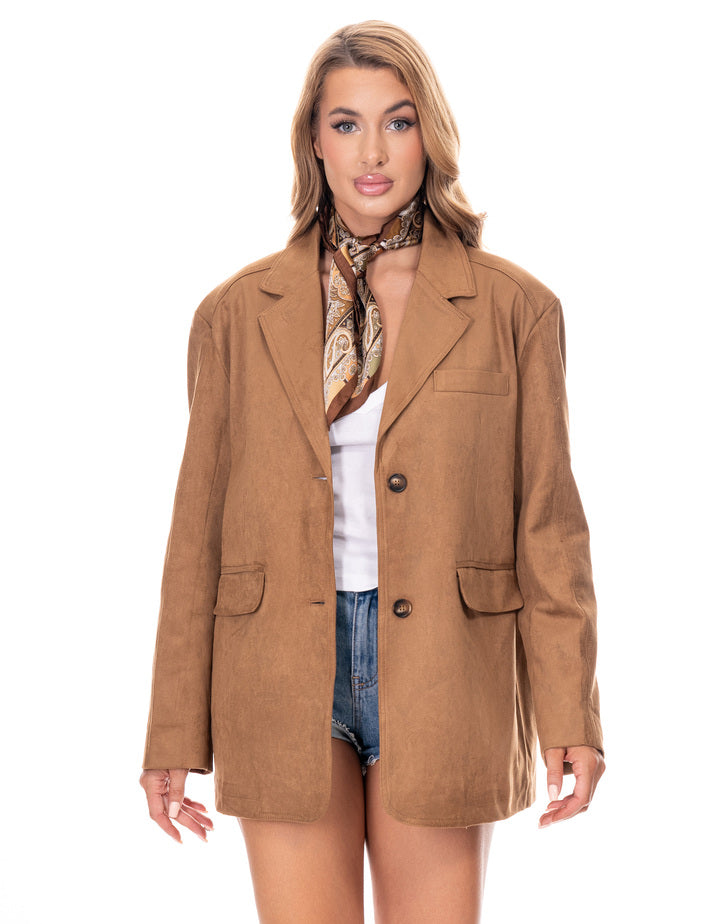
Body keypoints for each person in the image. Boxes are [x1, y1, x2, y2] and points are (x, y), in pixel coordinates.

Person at [139, 19, 605, 923]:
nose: (373, 152)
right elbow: (196, 532)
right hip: (278, 665)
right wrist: (171, 732)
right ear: (313, 141)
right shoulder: (234, 315)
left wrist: (571, 717)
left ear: (430, 133)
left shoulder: (514, 309)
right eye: (345, 124)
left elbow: (548, 528)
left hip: (447, 666)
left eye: (398, 121)